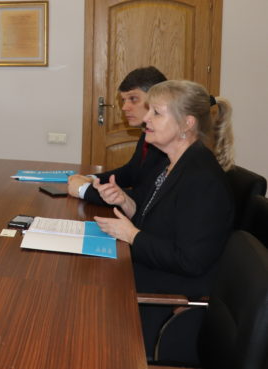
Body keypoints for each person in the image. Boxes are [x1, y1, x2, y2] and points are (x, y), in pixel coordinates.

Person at [92, 81, 234, 355]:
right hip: (153, 272)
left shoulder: (202, 179)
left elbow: (190, 261)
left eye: (156, 112)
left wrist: (131, 235)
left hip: (170, 294)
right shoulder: (171, 163)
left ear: (186, 124)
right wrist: (125, 202)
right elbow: (160, 222)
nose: (146, 118)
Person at [68, 66, 168, 204]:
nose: (124, 107)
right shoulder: (147, 132)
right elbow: (130, 172)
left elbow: (145, 199)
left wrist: (83, 190)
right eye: (123, 100)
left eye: (133, 99)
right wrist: (92, 179)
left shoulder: (167, 143)